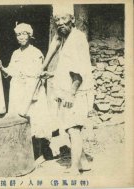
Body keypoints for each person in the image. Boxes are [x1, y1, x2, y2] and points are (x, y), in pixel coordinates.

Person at [42, 4, 94, 174]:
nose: (60, 23)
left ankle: (74, 169)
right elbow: (64, 64)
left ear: (72, 19)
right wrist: (48, 72)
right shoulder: (66, 37)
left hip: (75, 91)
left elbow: (78, 73)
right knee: (72, 129)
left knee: (74, 129)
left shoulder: (77, 39)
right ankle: (84, 162)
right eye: (57, 20)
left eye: (64, 19)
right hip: (68, 90)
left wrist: (71, 94)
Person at [0, 23, 44, 120]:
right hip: (17, 90)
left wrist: (34, 93)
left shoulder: (36, 53)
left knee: (32, 116)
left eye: (24, 34)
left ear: (29, 35)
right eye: (18, 34)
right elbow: (10, 72)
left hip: (30, 90)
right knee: (17, 119)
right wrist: (1, 66)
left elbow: (39, 76)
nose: (21, 37)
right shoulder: (15, 53)